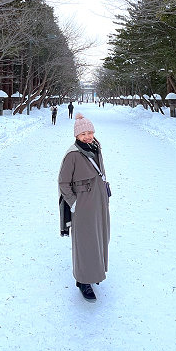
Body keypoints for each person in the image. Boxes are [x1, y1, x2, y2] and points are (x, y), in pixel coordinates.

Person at [58, 113, 110, 301]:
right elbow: (63, 183)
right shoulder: (73, 154)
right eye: (83, 134)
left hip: (99, 202)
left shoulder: (95, 148)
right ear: (76, 136)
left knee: (99, 238)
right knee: (85, 243)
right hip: (83, 205)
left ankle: (95, 272)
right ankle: (83, 280)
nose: (87, 136)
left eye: (90, 132)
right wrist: (75, 203)